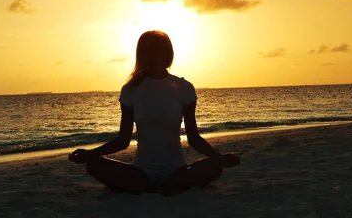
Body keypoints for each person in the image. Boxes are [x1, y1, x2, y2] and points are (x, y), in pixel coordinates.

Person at [68, 30, 240, 196]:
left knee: (215, 166)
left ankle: (153, 187)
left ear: (168, 54)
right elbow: (123, 140)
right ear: (141, 56)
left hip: (178, 170)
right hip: (141, 171)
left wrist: (220, 157)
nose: (153, 56)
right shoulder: (130, 90)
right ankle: (161, 187)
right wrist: (90, 154)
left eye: (158, 51)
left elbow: (193, 137)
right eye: (148, 52)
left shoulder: (184, 88)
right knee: (94, 165)